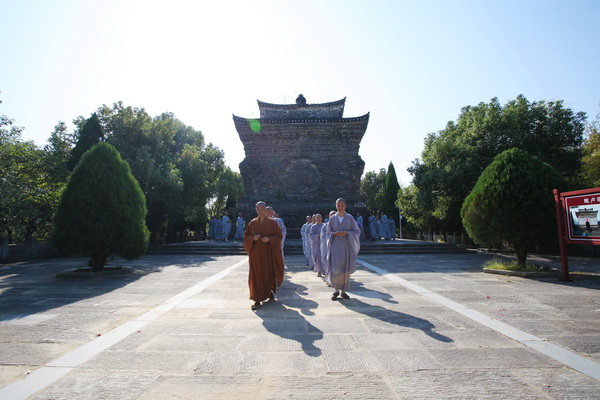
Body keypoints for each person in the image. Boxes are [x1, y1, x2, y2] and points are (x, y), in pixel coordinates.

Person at [244, 201, 284, 310]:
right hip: (256, 255)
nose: (261, 211)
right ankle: (257, 299)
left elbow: (279, 236)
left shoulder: (272, 223)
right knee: (256, 276)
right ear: (256, 210)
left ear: (266, 209)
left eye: (262, 209)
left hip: (268, 254)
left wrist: (269, 239)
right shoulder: (252, 223)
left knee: (268, 274)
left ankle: (269, 291)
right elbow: (246, 236)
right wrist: (253, 238)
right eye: (258, 209)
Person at [326, 198, 361, 300]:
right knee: (335, 269)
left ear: (345, 206)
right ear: (336, 206)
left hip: (346, 246)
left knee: (344, 269)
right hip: (336, 247)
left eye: (341, 205)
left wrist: (348, 233)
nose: (340, 207)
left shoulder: (350, 218)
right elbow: (327, 232)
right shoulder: (332, 219)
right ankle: (336, 290)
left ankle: (343, 291)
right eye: (338, 205)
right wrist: (334, 233)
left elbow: (357, 231)